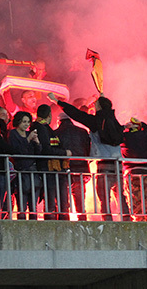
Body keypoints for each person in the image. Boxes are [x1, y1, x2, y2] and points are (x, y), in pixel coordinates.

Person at [50, 93, 129, 221]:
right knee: (121, 195)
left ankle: (107, 221)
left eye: (96, 104)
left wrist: (57, 101)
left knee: (104, 197)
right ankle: (127, 219)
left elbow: (76, 113)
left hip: (104, 164)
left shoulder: (96, 122)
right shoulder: (114, 121)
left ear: (99, 108)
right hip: (118, 164)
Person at [32, 104, 70, 220]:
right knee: (52, 198)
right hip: (49, 168)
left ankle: (56, 218)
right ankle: (54, 220)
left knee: (54, 198)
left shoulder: (39, 127)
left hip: (51, 168)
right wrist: (64, 153)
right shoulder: (42, 128)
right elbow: (46, 149)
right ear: (49, 115)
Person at [55, 109, 91, 221]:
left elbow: (55, 151)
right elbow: (88, 149)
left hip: (65, 168)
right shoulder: (83, 131)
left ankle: (64, 217)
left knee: (63, 194)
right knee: (79, 194)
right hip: (81, 168)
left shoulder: (56, 133)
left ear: (59, 121)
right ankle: (82, 217)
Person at [8, 111, 42, 219]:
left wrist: (37, 142)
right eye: (24, 122)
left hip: (33, 172)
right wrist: (27, 140)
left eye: (28, 122)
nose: (26, 124)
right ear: (18, 122)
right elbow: (16, 150)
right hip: (21, 173)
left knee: (33, 206)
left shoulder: (29, 134)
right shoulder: (13, 134)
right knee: (21, 206)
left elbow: (38, 152)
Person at [122, 117, 147, 221]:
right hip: (146, 172)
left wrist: (124, 127)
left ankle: (138, 225)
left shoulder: (125, 137)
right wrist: (141, 123)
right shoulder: (146, 136)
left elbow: (115, 135)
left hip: (132, 174)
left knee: (135, 203)